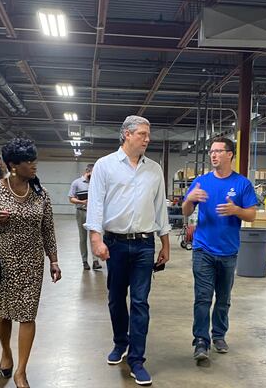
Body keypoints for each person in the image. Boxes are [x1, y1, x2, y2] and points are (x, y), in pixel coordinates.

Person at [85, 115, 171, 386]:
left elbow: (161, 209)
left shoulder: (154, 169)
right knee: (115, 297)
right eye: (143, 134)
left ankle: (137, 359)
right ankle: (120, 342)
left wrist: (165, 243)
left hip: (145, 243)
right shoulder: (105, 166)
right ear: (127, 135)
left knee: (140, 301)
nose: (148, 139)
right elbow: (96, 205)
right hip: (115, 243)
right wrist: (96, 240)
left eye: (148, 134)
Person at [0, 138, 62, 388]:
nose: (33, 165)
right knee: (4, 313)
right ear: (13, 165)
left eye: (34, 159)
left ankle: (21, 371)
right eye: (28, 161)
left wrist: (54, 260)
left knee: (27, 315)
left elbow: (48, 229)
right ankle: (6, 352)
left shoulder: (40, 194)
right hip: (2, 261)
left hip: (32, 262)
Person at [182, 137, 257, 362]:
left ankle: (219, 335)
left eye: (218, 151)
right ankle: (201, 341)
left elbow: (252, 215)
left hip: (228, 252)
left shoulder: (242, 184)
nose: (213, 155)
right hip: (203, 250)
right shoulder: (201, 182)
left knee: (223, 298)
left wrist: (236, 210)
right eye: (211, 151)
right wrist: (190, 199)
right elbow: (185, 211)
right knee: (203, 298)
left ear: (230, 154)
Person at [69, 163, 101, 270]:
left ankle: (95, 261)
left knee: (94, 236)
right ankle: (85, 261)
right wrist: (81, 201)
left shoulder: (95, 183)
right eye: (91, 174)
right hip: (81, 212)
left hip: (93, 213)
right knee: (83, 238)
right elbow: (71, 198)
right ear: (87, 171)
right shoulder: (76, 183)